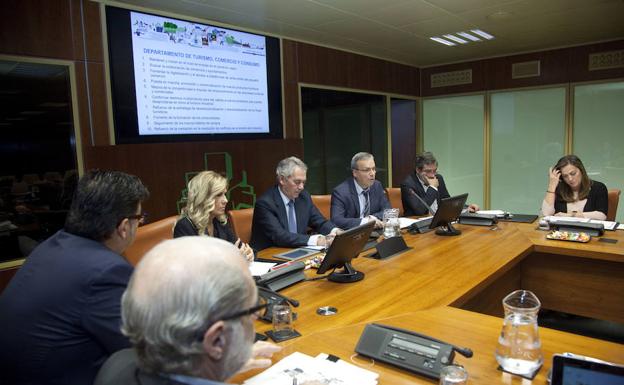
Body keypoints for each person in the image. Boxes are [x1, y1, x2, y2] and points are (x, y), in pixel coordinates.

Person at [0, 170, 149, 385]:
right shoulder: (106, 271)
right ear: (124, 227)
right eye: (140, 218)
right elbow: (142, 345)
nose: (140, 223)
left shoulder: (52, 245)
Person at [94, 237, 281, 385]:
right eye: (252, 311)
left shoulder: (117, 364)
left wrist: (223, 363)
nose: (256, 318)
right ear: (216, 340)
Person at [251, 156, 339, 251]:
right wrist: (317, 240)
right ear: (282, 180)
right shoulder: (265, 203)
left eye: (303, 182)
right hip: (270, 255)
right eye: (297, 182)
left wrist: (336, 231)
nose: (301, 187)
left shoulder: (303, 197)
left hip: (297, 251)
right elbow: (280, 236)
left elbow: (320, 222)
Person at [174, 171, 254, 262]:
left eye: (224, 194)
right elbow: (193, 268)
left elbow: (238, 247)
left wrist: (248, 253)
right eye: (219, 195)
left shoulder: (219, 221)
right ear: (204, 197)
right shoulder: (185, 226)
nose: (225, 200)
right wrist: (229, 259)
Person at [401, 152, 479, 216]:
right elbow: (420, 210)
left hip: (437, 222)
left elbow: (447, 201)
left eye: (434, 170)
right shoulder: (408, 184)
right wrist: (433, 188)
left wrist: (465, 208)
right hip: (417, 228)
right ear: (418, 170)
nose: (432, 175)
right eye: (428, 171)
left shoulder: (439, 178)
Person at [330, 152, 390, 229]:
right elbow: (336, 220)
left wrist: (371, 219)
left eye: (374, 169)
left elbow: (387, 210)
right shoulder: (341, 192)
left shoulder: (377, 185)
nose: (372, 173)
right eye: (367, 170)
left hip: (375, 232)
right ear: (355, 173)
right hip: (353, 236)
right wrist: (364, 222)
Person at [541, 155, 608, 220]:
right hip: (563, 230)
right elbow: (546, 214)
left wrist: (571, 215)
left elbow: (602, 216)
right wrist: (552, 185)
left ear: (581, 171)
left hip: (589, 231)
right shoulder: (559, 189)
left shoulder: (598, 187)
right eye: (565, 176)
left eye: (573, 173)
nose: (570, 179)